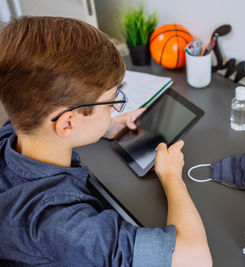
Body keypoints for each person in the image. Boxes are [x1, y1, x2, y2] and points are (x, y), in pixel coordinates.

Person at [0, 16, 212, 266]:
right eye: (111, 102)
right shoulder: (62, 224)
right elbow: (195, 259)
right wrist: (172, 177)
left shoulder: (11, 135)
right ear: (67, 123)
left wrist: (104, 125)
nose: (115, 108)